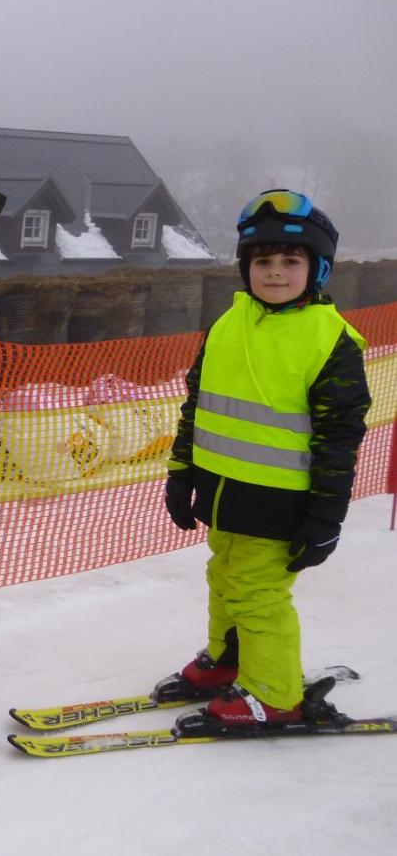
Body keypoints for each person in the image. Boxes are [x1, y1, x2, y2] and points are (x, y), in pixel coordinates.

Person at [163, 189, 370, 727]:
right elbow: (197, 405)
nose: (274, 272)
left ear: (318, 269)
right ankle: (229, 660)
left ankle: (274, 694)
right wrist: (181, 474)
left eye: (290, 261)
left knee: (258, 593)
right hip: (222, 491)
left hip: (281, 502)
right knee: (223, 577)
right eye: (262, 261)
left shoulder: (330, 341)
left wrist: (326, 517)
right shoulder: (226, 326)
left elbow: (339, 438)